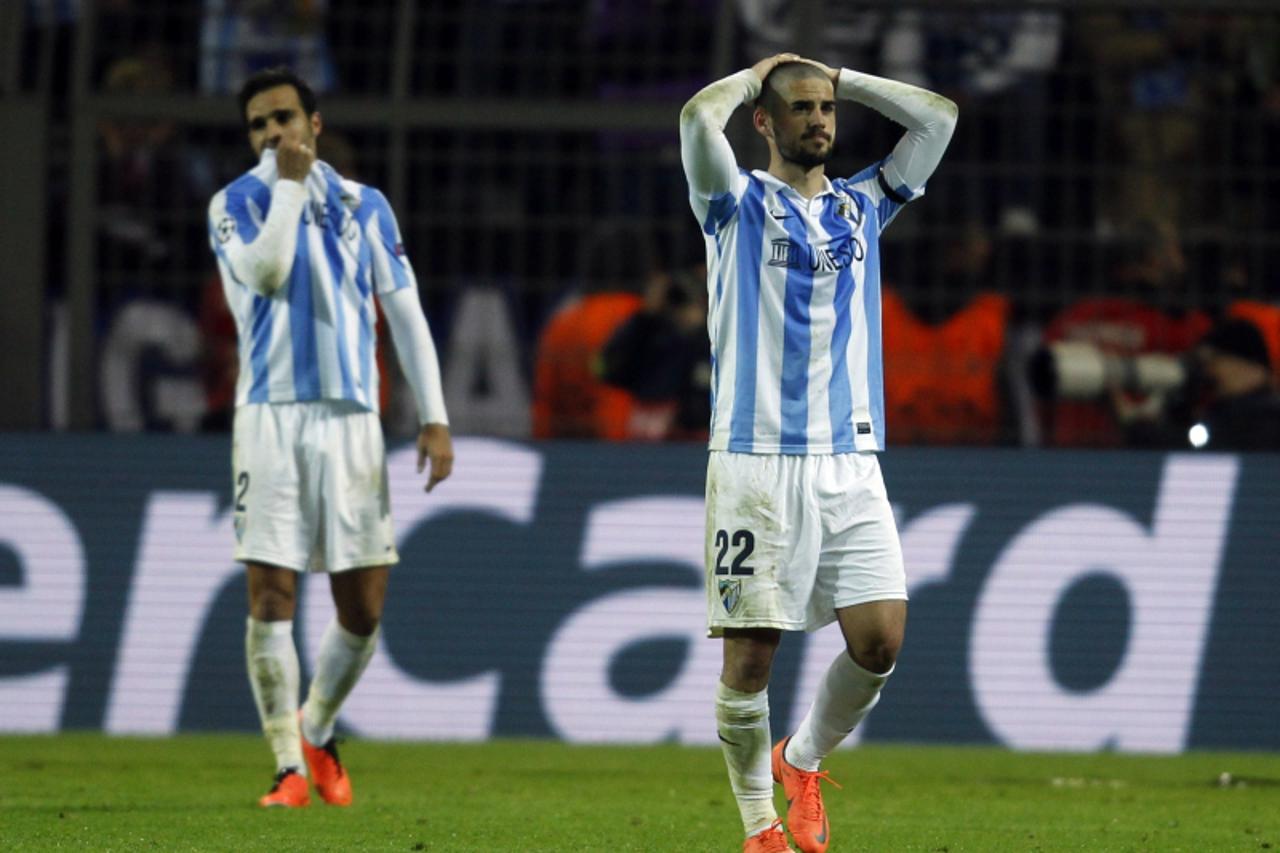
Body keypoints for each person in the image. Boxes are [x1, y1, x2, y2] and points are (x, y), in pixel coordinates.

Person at [680, 53, 956, 852]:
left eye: (826, 109)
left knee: (879, 642)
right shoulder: (730, 204)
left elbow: (938, 118)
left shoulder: (863, 206)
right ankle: (759, 824)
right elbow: (699, 120)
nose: (820, 121)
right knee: (751, 659)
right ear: (765, 122)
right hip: (755, 460)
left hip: (851, 461)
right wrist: (753, 73)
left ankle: (800, 763)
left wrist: (841, 74)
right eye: (800, 108)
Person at [206, 67, 454, 808]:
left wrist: (434, 415)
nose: (272, 133)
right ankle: (286, 766)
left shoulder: (364, 204)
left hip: (352, 416)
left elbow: (404, 312)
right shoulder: (236, 203)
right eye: (258, 125)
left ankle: (316, 725)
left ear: (315, 122)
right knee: (271, 590)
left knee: (363, 604)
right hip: (270, 415)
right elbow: (271, 271)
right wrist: (285, 184)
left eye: (283, 117)